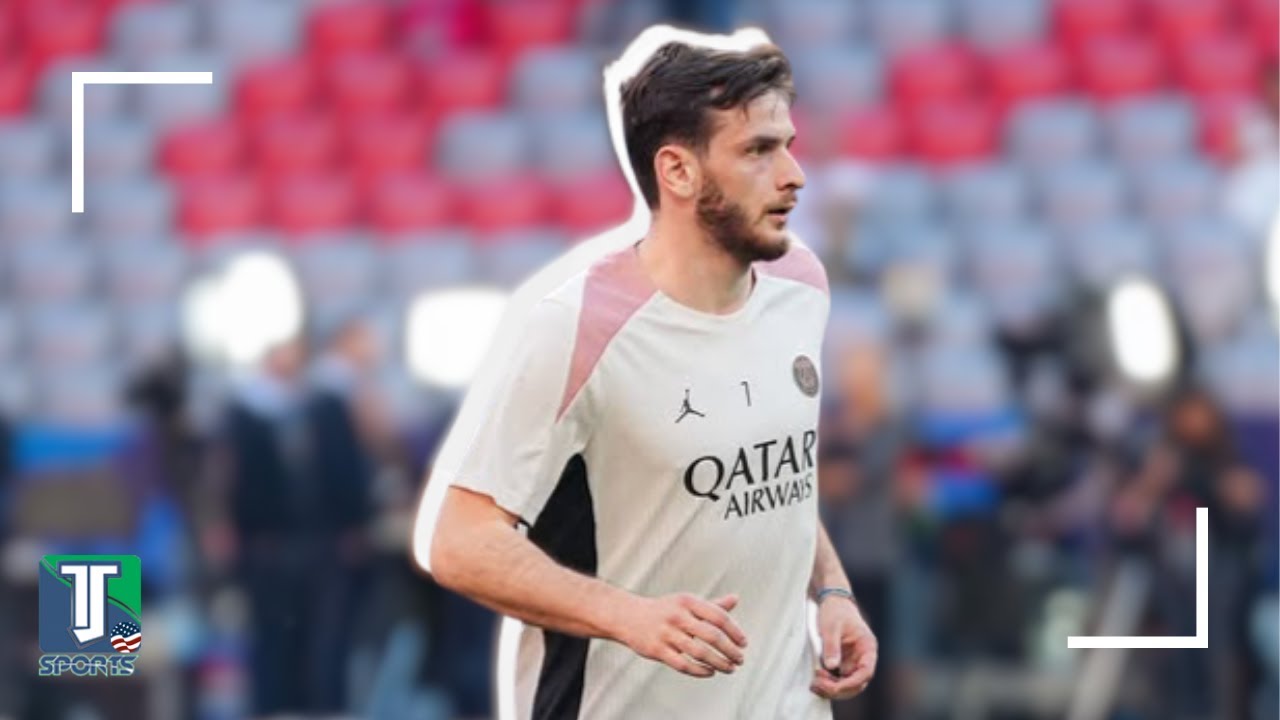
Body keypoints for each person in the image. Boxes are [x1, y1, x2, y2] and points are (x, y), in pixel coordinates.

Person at [424, 38, 877, 719]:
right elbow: (459, 542)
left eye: (787, 145)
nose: (793, 174)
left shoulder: (800, 285)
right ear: (678, 171)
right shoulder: (578, 328)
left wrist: (831, 591)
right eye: (758, 151)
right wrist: (626, 615)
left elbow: (772, 476)